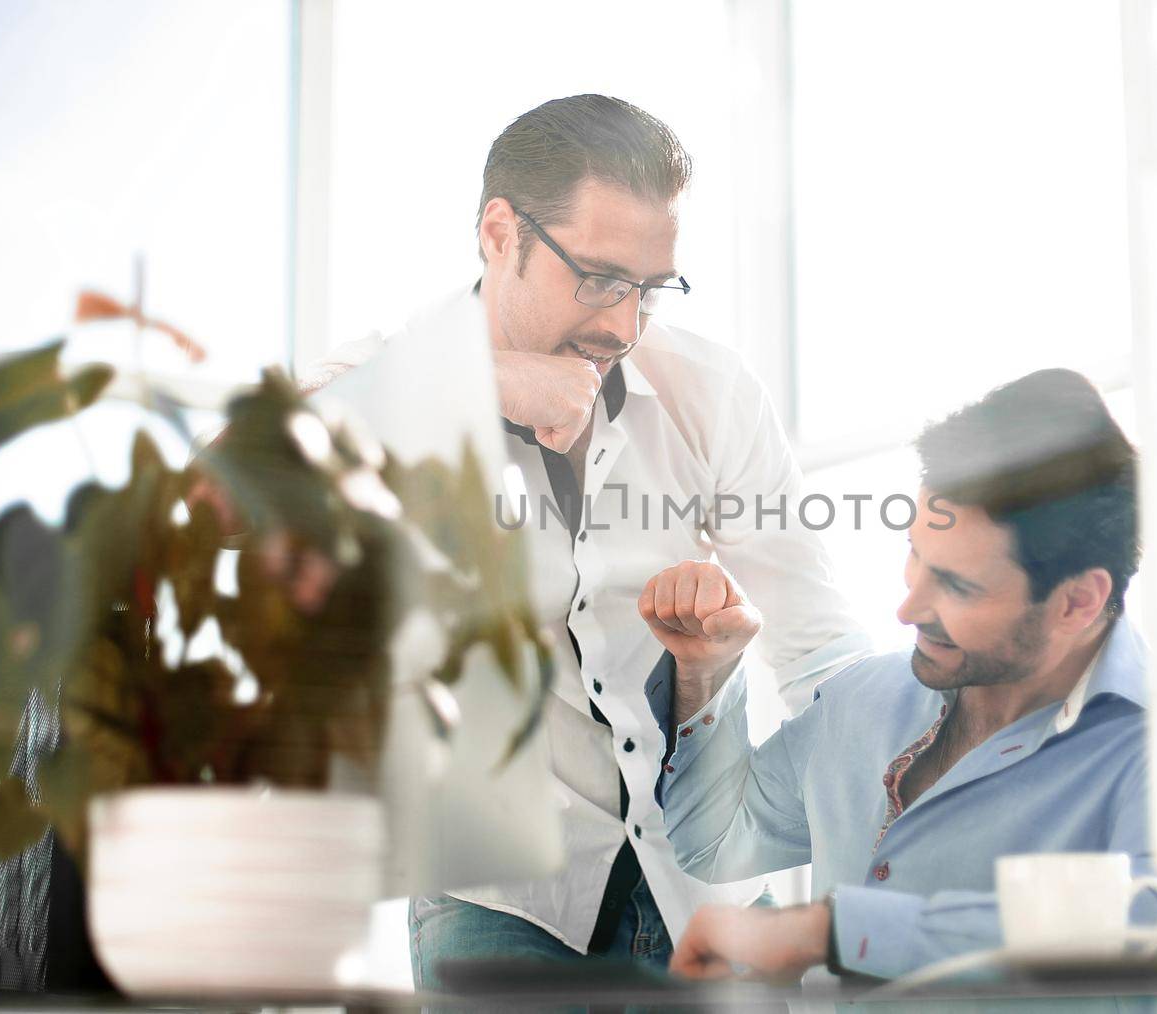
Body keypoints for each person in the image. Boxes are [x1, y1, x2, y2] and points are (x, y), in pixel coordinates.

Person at [304, 94, 869, 986]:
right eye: (599, 278)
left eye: (649, 288)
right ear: (500, 233)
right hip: (502, 903)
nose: (621, 324)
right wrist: (480, 382)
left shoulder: (707, 392)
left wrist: (906, 792)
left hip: (710, 889)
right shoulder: (390, 383)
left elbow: (819, 642)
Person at [638, 369, 1157, 993]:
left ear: (1078, 602)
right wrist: (704, 675)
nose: (909, 608)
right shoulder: (864, 701)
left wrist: (837, 930)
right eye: (916, 555)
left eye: (957, 585)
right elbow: (719, 843)